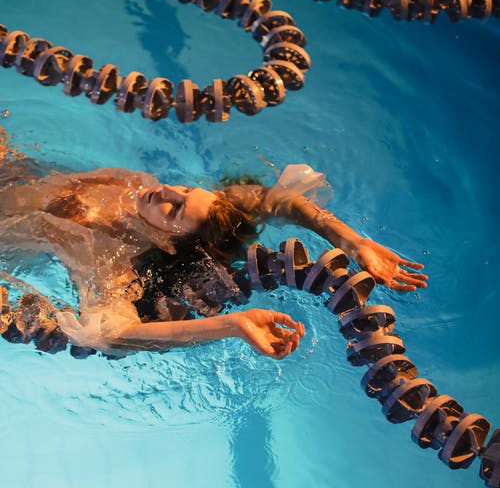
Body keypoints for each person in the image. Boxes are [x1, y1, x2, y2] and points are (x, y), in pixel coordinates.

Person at [0, 136, 427, 359]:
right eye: (184, 189)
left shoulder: (103, 251)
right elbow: (275, 200)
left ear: (170, 242)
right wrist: (355, 241)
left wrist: (233, 325)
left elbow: (114, 332)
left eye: (175, 209)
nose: (164, 189)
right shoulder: (151, 196)